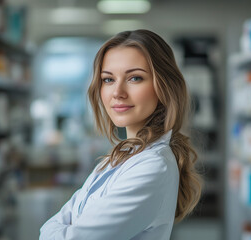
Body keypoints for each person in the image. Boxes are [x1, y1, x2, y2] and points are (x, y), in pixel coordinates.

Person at [39, 29, 202, 240]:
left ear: (164, 86)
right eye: (108, 80)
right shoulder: (117, 158)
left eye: (135, 78)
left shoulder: (153, 166)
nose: (117, 92)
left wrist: (60, 229)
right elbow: (52, 227)